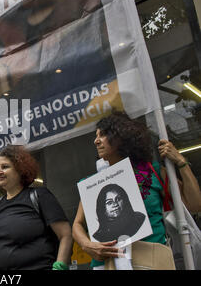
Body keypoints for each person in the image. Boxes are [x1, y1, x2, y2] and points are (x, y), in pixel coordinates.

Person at [72, 110, 201, 269]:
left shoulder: (152, 171)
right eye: (96, 135)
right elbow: (77, 224)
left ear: (122, 136)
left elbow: (194, 204)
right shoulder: (93, 184)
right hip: (106, 263)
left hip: (151, 259)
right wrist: (87, 245)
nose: (96, 141)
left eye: (103, 135)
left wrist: (181, 162)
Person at [0, 145, 73, 270]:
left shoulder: (39, 195)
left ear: (20, 169)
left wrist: (60, 266)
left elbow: (65, 234)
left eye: (5, 167)